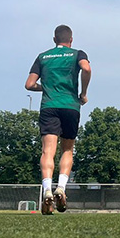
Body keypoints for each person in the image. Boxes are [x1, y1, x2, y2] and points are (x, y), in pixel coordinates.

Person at [25, 25, 91, 215]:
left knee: (48, 150)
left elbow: (29, 84)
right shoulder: (77, 53)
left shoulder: (43, 57)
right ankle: (61, 188)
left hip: (49, 107)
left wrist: (45, 87)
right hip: (70, 106)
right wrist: (83, 93)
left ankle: (47, 190)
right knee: (67, 149)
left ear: (54, 39)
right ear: (71, 40)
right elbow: (86, 68)